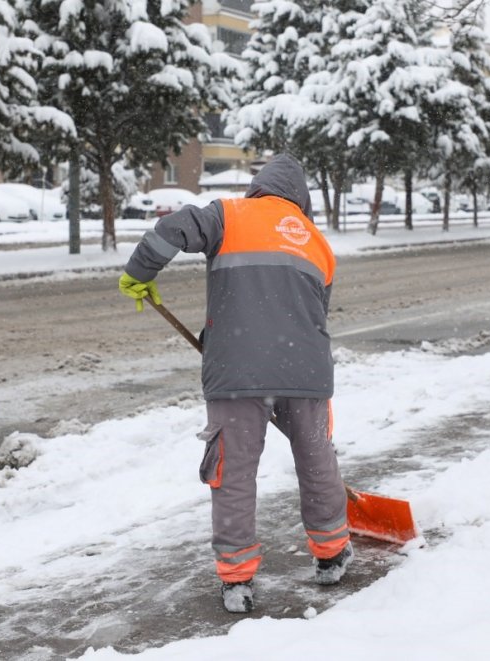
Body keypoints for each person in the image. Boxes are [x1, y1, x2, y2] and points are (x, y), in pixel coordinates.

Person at [118, 154, 352, 614]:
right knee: (317, 459)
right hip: (305, 371)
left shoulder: (228, 214)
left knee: (234, 473)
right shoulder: (318, 244)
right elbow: (312, 316)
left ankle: (237, 578)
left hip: (238, 373)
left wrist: (140, 273)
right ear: (302, 199)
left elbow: (169, 231)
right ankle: (331, 553)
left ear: (258, 187)